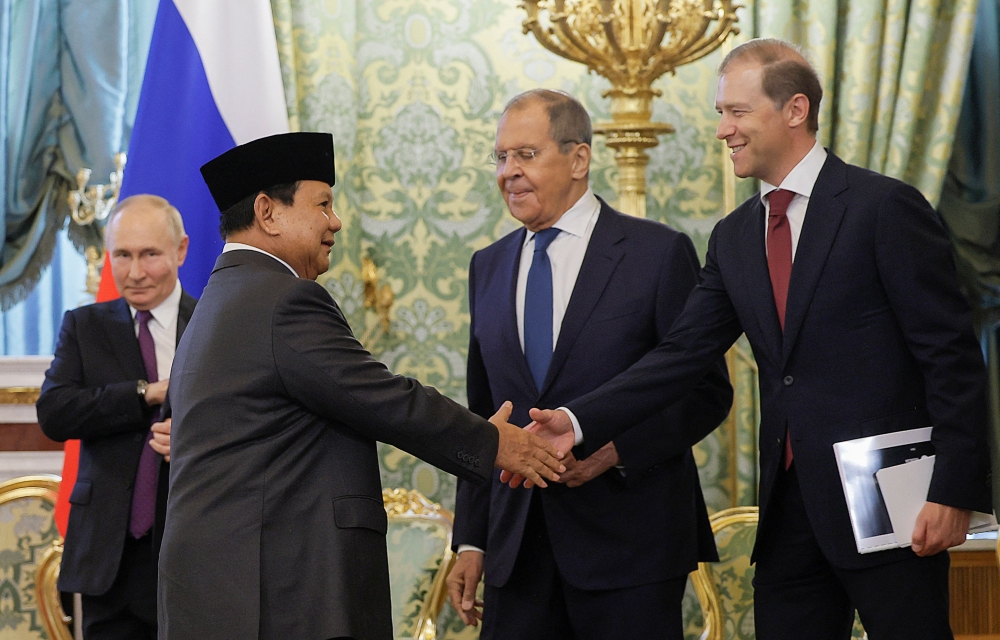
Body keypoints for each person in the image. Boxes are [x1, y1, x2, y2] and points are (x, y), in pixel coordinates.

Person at [527, 39, 993, 640]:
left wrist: (950, 489)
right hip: (788, 512)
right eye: (722, 113)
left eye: (736, 112)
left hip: (890, 504)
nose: (723, 130)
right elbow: (679, 356)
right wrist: (577, 420)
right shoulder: (735, 236)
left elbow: (951, 360)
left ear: (795, 110)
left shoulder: (884, 208)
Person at [157, 131, 568, 640]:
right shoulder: (284, 299)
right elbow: (383, 397)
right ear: (267, 212)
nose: (336, 221)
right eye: (323, 203)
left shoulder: (219, 296)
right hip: (279, 592)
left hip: (229, 588)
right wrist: (495, 442)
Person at [445, 89, 733, 640]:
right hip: (517, 554)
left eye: (526, 155)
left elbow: (706, 392)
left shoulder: (657, 253)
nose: (508, 172)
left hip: (630, 547)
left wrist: (615, 450)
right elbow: (484, 416)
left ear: (579, 160)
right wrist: (473, 539)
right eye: (500, 157)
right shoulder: (487, 265)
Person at [38, 195, 195, 640]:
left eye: (149, 254)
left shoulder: (211, 323)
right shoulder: (84, 326)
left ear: (180, 251)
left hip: (189, 547)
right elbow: (55, 413)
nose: (134, 272)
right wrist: (145, 394)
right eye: (122, 255)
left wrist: (194, 436)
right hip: (108, 553)